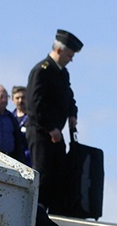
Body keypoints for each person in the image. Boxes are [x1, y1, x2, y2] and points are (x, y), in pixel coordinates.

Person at [26, 29, 83, 213]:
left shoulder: (63, 74)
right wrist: (51, 128)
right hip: (42, 133)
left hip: (57, 134)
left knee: (59, 174)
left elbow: (69, 98)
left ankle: (55, 214)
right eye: (69, 55)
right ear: (59, 51)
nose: (71, 59)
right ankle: (38, 213)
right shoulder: (41, 71)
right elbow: (35, 104)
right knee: (42, 175)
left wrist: (72, 114)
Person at [11, 85, 31, 165]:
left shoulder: (33, 118)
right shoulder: (10, 118)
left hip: (29, 160)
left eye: (23, 98)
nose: (20, 100)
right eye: (17, 98)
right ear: (12, 100)